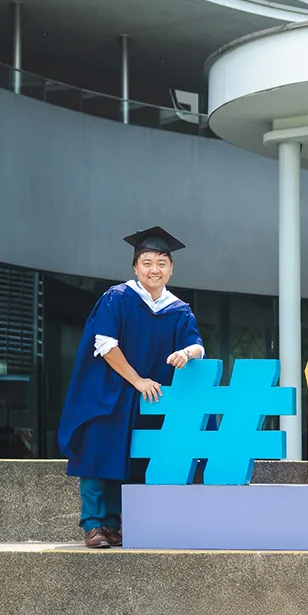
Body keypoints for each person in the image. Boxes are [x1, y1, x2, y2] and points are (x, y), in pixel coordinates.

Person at [57, 227, 204, 549]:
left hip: (152, 396)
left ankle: (120, 523)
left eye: (162, 263)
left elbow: (197, 345)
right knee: (99, 452)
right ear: (136, 267)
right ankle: (95, 524)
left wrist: (186, 353)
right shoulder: (117, 298)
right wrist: (135, 380)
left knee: (135, 457)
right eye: (147, 262)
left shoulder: (178, 309)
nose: (155, 269)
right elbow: (105, 344)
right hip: (110, 390)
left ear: (171, 268)